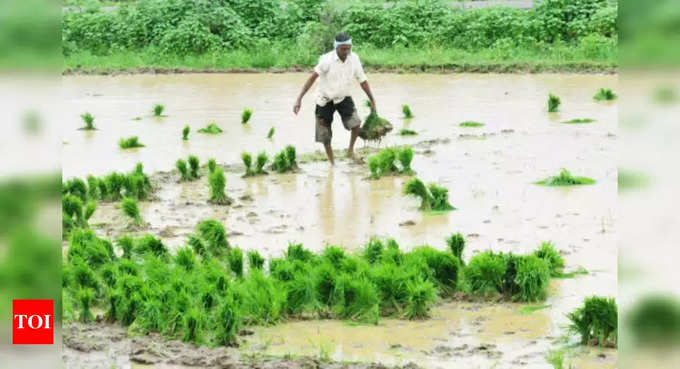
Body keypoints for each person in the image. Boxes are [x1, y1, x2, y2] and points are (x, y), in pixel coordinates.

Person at [293, 32, 376, 165]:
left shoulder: (354, 59)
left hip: (343, 97)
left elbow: (363, 81)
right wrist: (299, 99)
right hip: (324, 100)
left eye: (348, 48)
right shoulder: (326, 60)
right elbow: (311, 79)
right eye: (343, 49)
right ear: (336, 47)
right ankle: (332, 163)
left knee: (356, 124)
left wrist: (372, 100)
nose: (346, 51)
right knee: (325, 135)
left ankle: (350, 151)